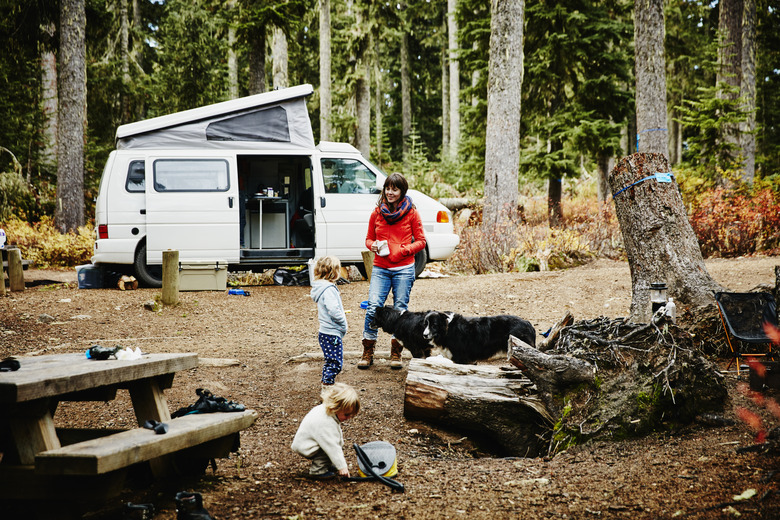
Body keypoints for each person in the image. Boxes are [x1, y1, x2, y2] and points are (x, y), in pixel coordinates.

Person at [360, 172, 426, 370]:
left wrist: (404, 250)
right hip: (381, 267)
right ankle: (368, 350)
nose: (390, 192)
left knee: (400, 310)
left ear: (402, 191)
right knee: (373, 307)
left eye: (394, 189)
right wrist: (374, 246)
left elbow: (421, 241)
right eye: (387, 188)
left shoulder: (412, 213)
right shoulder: (377, 213)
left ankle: (396, 352)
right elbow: (368, 239)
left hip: (404, 269)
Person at [291, 383, 360, 479]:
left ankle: (326, 465)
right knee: (327, 448)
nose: (348, 418)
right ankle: (317, 471)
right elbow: (332, 446)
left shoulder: (327, 411)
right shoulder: (325, 421)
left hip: (309, 441)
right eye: (346, 414)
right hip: (307, 446)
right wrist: (342, 467)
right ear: (335, 408)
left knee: (328, 445)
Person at [310, 256, 348, 387]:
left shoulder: (320, 287)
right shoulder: (329, 290)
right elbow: (333, 310)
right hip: (332, 333)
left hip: (325, 332)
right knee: (335, 363)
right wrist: (343, 323)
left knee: (331, 361)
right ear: (334, 272)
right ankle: (327, 387)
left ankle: (327, 384)